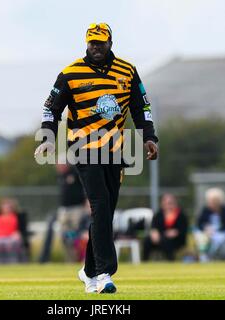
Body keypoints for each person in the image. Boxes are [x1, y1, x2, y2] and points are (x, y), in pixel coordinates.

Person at [34, 23, 158, 293]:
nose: (95, 47)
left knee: (106, 213)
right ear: (86, 43)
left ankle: (88, 271)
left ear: (110, 43)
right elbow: (50, 108)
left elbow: (142, 107)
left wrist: (149, 137)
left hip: (116, 151)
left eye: (100, 43)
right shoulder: (70, 73)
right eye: (91, 43)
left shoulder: (127, 71)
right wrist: (47, 138)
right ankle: (104, 273)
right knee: (100, 207)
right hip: (84, 149)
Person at [56, 157, 86, 262]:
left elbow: (84, 187)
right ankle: (70, 259)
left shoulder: (75, 173)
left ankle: (81, 258)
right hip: (64, 209)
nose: (58, 166)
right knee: (64, 235)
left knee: (77, 234)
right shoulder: (60, 176)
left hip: (76, 208)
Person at [143, 194, 188, 261]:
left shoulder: (180, 215)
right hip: (160, 237)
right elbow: (154, 226)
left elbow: (184, 229)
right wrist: (154, 233)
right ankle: (145, 261)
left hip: (176, 240)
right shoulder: (159, 214)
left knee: (166, 241)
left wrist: (176, 232)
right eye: (166, 203)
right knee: (147, 241)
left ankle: (171, 261)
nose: (168, 205)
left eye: (170, 203)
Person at [194, 188, 225, 262]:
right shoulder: (205, 210)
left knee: (221, 240)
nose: (211, 203)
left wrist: (217, 230)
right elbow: (199, 223)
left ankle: (217, 256)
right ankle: (204, 256)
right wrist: (206, 228)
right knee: (202, 238)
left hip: (221, 232)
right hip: (207, 232)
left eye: (214, 201)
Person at [0, 198, 28, 264]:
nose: (7, 208)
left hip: (10, 237)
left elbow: (22, 229)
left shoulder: (18, 217)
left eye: (9, 207)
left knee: (12, 243)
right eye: (5, 207)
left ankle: (12, 262)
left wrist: (18, 233)